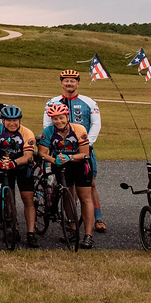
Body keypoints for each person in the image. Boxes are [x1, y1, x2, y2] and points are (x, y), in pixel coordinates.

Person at [44, 70, 105, 233]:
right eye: (66, 81)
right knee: (68, 187)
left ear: (78, 83)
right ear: (61, 83)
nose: (69, 83)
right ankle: (74, 220)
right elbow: (46, 126)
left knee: (90, 184)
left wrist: (87, 143)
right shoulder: (52, 102)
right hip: (61, 149)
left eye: (72, 81)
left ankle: (97, 218)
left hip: (84, 148)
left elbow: (96, 124)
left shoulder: (89, 102)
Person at [39, 103, 95, 249]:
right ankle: (72, 229)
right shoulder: (49, 131)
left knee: (85, 198)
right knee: (66, 195)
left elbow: (85, 153)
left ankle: (88, 235)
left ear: (67, 117)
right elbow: (42, 153)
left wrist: (70, 158)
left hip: (79, 164)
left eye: (61, 118)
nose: (58, 121)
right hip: (61, 165)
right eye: (55, 119)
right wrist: (54, 160)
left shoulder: (79, 129)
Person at [0, 105, 38, 247]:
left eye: (15, 120)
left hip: (21, 166)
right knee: (9, 198)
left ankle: (31, 233)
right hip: (3, 166)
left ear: (20, 120)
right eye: (8, 120)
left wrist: (14, 163)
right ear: (3, 120)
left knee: (28, 199)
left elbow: (28, 156)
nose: (12, 123)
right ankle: (13, 228)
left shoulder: (27, 133)